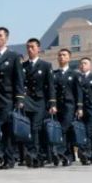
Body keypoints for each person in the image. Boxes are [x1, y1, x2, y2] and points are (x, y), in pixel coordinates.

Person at [0, 27, 25, 169]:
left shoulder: (13, 56)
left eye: (0, 36)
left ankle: (9, 158)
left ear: (6, 38)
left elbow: (19, 79)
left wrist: (20, 98)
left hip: (7, 97)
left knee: (7, 128)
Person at [21, 38, 56, 168]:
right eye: (28, 47)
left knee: (36, 127)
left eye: (32, 47)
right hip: (26, 100)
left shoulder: (46, 65)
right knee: (28, 128)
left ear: (38, 49)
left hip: (40, 100)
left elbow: (50, 86)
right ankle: (33, 154)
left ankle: (35, 154)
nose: (30, 49)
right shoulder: (23, 66)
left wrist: (52, 104)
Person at [52, 49, 83, 166]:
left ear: (69, 58)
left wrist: (79, 107)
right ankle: (67, 155)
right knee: (59, 129)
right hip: (57, 105)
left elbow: (78, 92)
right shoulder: (54, 74)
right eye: (59, 55)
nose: (61, 57)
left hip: (69, 105)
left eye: (64, 55)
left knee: (65, 128)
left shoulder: (75, 74)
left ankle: (62, 152)